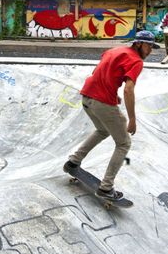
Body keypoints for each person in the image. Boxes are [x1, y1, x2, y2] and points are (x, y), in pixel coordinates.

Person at [64, 30, 159, 203]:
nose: (150, 51)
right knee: (123, 143)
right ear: (138, 44)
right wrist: (132, 119)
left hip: (87, 97)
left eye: (152, 47)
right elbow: (129, 89)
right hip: (101, 102)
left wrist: (111, 94)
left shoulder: (114, 51)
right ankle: (106, 187)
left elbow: (98, 71)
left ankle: (73, 161)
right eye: (148, 46)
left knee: (102, 130)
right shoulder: (136, 61)